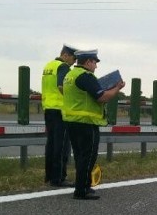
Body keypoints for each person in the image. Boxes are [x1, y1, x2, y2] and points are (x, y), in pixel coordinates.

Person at [62, 49, 125, 200]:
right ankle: (82, 190)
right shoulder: (86, 76)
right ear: (88, 61)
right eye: (95, 62)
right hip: (86, 123)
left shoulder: (70, 75)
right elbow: (101, 97)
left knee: (79, 156)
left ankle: (82, 185)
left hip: (72, 121)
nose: (96, 66)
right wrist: (117, 88)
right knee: (88, 156)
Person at [42, 44, 76, 187]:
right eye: (73, 59)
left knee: (51, 144)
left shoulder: (48, 66)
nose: (73, 63)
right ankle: (59, 178)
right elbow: (62, 86)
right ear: (65, 55)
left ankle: (49, 176)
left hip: (48, 108)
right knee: (61, 145)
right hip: (60, 110)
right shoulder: (62, 67)